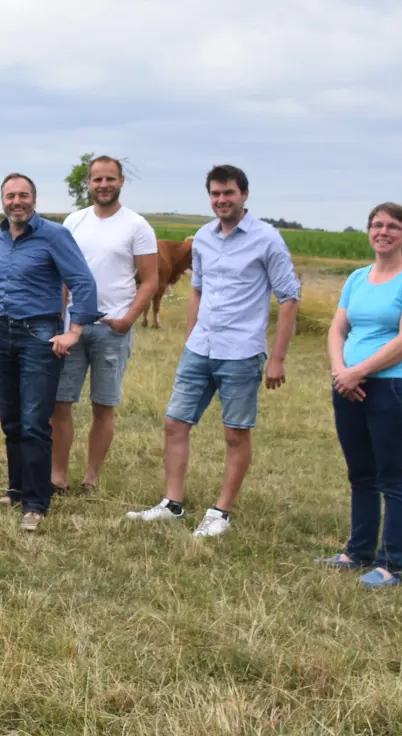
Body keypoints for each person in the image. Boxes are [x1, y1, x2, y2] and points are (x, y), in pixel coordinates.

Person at [127, 164, 300, 537]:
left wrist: (278, 359)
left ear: (245, 195)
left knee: (236, 432)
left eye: (229, 193)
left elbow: (289, 297)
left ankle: (220, 513)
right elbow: (197, 290)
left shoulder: (267, 239)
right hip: (200, 348)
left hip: (241, 351)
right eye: (216, 194)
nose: (222, 200)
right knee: (175, 423)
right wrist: (190, 336)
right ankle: (172, 504)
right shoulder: (203, 238)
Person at [319, 203, 402, 588]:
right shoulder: (357, 278)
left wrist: (358, 371)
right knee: (361, 475)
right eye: (377, 224)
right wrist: (341, 371)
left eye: (393, 226)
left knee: (393, 478)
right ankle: (358, 552)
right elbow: (338, 329)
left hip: (390, 390)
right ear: (369, 230)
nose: (383, 231)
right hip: (347, 387)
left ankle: (390, 565)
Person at [0, 172, 101, 532]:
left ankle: (37, 503)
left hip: (40, 335)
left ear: (34, 200)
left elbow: (83, 282)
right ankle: (17, 489)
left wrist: (74, 331)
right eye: (10, 196)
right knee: (11, 420)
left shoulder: (54, 235)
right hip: (4, 334)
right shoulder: (2, 235)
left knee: (35, 422)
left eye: (23, 195)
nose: (16, 201)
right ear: (3, 201)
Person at [51, 155, 159, 496]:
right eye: (97, 179)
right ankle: (58, 476)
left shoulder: (137, 226)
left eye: (110, 179)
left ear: (121, 181)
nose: (103, 185)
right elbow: (65, 275)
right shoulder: (74, 222)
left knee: (103, 404)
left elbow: (150, 280)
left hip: (112, 327)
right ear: (88, 183)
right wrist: (61, 316)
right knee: (60, 402)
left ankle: (91, 478)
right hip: (73, 327)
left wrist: (128, 319)